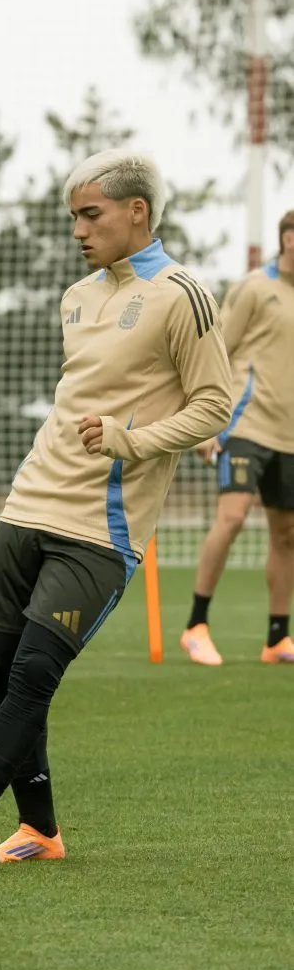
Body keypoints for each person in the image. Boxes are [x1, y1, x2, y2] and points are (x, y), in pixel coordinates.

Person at [0, 148, 232, 871]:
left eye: (90, 215)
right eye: (73, 217)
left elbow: (214, 404)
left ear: (137, 210)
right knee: (1, 669)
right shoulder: (74, 296)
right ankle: (40, 831)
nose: (77, 230)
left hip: (100, 529)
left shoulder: (183, 294)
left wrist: (133, 440)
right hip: (29, 500)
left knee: (35, 672)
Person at [181, 211, 294, 666]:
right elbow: (216, 352)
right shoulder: (254, 288)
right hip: (244, 424)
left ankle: (277, 639)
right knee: (232, 517)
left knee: (287, 534)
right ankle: (196, 626)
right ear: (287, 240)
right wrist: (207, 422)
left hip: (289, 435)